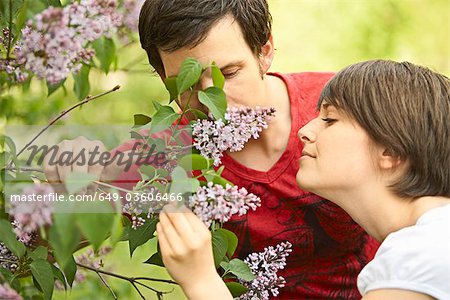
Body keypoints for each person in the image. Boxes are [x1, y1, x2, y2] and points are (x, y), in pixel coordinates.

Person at [44, 1, 378, 298]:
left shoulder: (342, 107)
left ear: (265, 51)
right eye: (188, 84)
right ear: (163, 78)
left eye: (229, 73)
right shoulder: (160, 158)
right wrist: (65, 184)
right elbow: (41, 242)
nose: (212, 101)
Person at [157, 60, 450, 300]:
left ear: (391, 150)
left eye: (330, 120)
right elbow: (113, 179)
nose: (305, 131)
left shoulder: (414, 260)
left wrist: (202, 283)